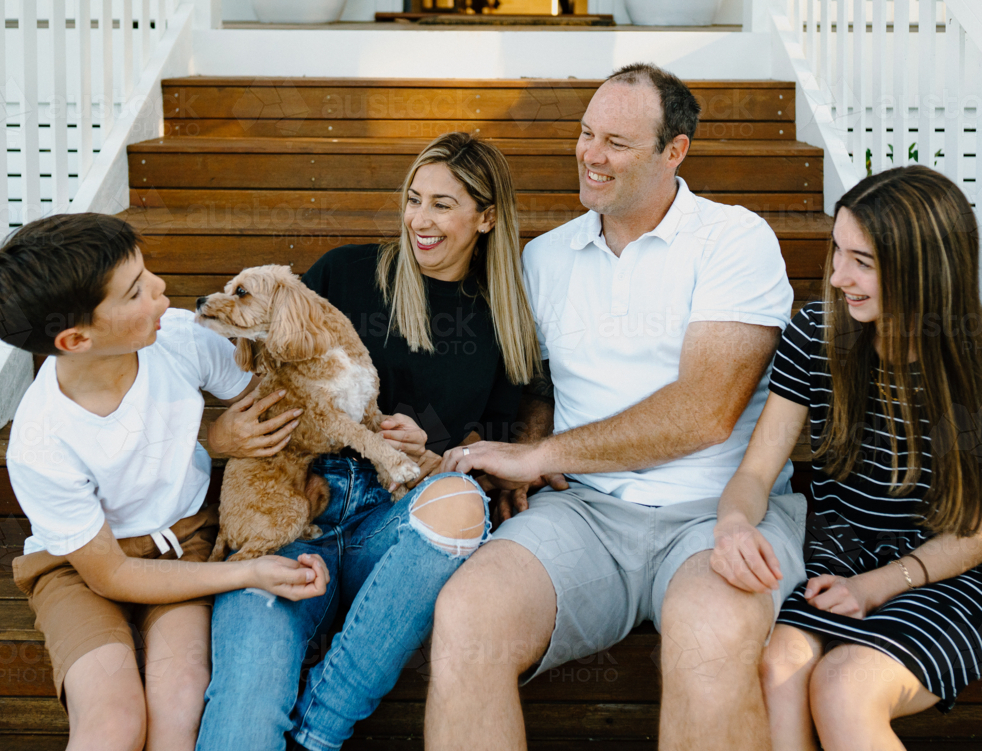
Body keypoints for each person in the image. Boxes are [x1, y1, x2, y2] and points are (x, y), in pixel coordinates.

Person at [431, 63, 806, 750]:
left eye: (616, 142)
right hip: (584, 513)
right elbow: (539, 382)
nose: (590, 155)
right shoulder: (546, 259)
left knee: (712, 640)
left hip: (717, 513)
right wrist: (525, 453)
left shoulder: (734, 240)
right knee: (467, 613)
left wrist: (539, 453)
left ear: (675, 152)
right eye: (585, 134)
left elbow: (702, 412)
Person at [196, 132, 543, 751]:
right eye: (414, 199)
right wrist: (217, 437)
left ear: (487, 218)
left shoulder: (500, 314)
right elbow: (265, 360)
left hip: (390, 522)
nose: (420, 220)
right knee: (245, 717)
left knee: (460, 498)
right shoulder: (346, 272)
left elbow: (489, 439)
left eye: (443, 204)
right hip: (288, 504)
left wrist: (433, 454)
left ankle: (317, 731)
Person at [0, 213, 331, 751]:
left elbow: (275, 394)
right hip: (79, 569)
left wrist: (221, 441)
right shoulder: (41, 442)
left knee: (181, 701)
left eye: (147, 273)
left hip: (184, 541)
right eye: (135, 290)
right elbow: (113, 574)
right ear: (77, 338)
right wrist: (248, 573)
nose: (160, 288)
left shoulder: (177, 338)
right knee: (113, 723)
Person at [737, 166, 982, 750]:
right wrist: (732, 524)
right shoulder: (818, 334)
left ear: (925, 270)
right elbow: (754, 472)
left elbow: (975, 529)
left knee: (844, 686)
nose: (839, 277)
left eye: (864, 262)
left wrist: (880, 587)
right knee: (778, 667)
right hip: (837, 559)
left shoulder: (971, 363)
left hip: (947, 569)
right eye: (837, 252)